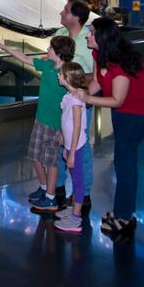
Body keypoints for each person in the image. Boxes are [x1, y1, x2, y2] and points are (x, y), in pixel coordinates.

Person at [66, 16, 144, 240]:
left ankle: (124, 216)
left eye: (91, 32)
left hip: (140, 112)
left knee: (124, 161)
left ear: (102, 37)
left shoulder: (120, 65)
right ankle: (122, 210)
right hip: (123, 111)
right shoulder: (98, 54)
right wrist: (81, 95)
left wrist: (87, 99)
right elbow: (97, 82)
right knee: (123, 159)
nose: (87, 35)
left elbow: (117, 100)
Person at [0, 34, 75, 212]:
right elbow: (24, 58)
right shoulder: (48, 65)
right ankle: (44, 188)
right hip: (40, 119)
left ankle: (51, 198)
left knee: (51, 161)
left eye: (50, 48)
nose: (47, 50)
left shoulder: (67, 74)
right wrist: (6, 48)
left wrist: (63, 131)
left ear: (58, 52)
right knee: (35, 155)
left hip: (55, 125)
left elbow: (71, 103)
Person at [53, 0, 95, 210]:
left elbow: (95, 74)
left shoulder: (89, 40)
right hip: (60, 99)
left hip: (79, 100)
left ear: (77, 17)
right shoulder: (60, 34)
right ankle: (59, 185)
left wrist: (75, 82)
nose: (61, 13)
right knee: (60, 140)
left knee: (80, 145)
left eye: (66, 10)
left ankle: (83, 194)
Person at [54, 62, 89, 233]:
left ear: (68, 78)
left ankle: (76, 216)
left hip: (76, 146)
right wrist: (62, 135)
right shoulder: (69, 96)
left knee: (78, 179)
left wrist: (72, 153)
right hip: (70, 144)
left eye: (60, 73)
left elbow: (77, 127)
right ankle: (74, 208)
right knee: (74, 177)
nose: (58, 75)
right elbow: (66, 120)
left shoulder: (76, 100)